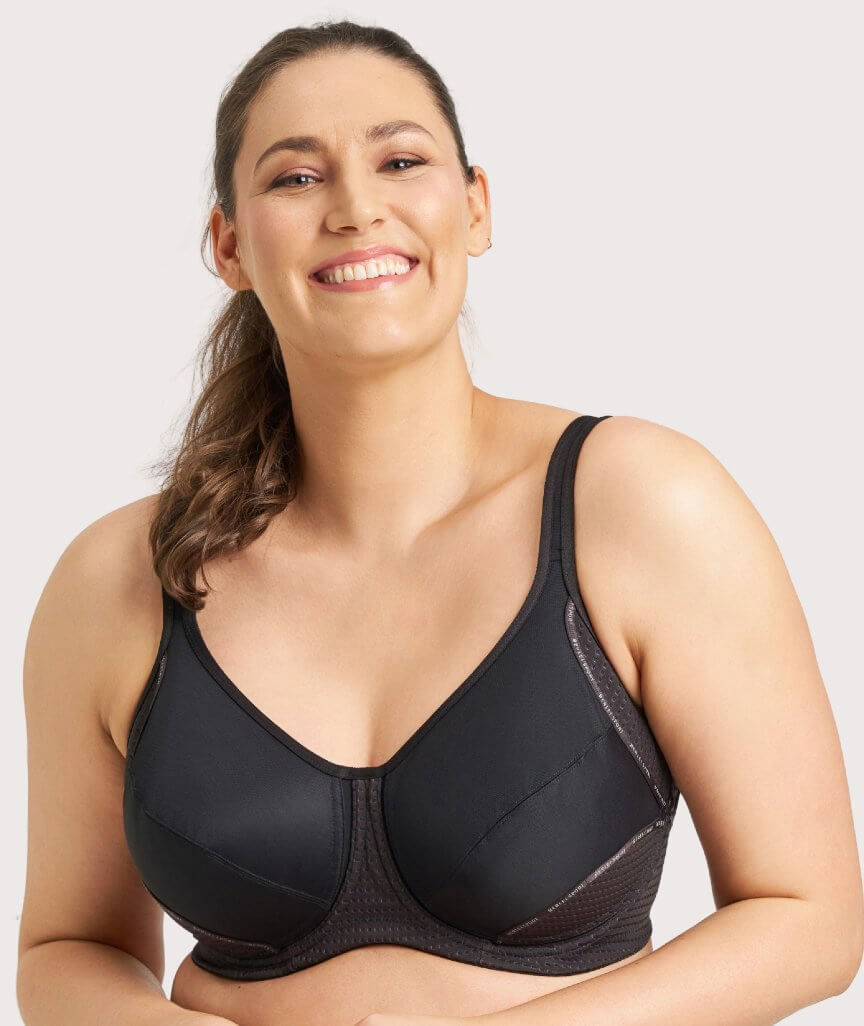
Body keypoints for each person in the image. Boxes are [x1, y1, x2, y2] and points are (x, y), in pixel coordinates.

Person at [16, 18, 863, 1026]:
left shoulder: (643, 506)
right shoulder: (120, 578)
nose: (355, 208)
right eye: (296, 177)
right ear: (230, 246)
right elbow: (67, 951)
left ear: (474, 208)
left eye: (401, 161)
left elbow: (810, 919)